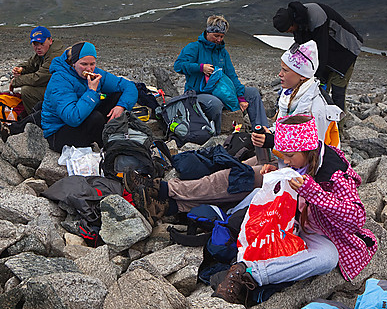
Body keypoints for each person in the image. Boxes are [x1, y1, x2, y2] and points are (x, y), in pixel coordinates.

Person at [128, 41, 336, 216]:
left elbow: (310, 153)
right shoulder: (294, 95)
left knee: (232, 179)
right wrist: (268, 135)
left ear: (301, 75)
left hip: (294, 174)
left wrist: (271, 141)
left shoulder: (314, 106)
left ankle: (162, 190)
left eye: (285, 70)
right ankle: (169, 207)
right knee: (232, 182)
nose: (279, 74)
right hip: (281, 159)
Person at [213, 115, 378, 305]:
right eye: (283, 156)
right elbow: (291, 180)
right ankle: (231, 238)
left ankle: (249, 272)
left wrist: (313, 192)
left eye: (290, 156)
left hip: (319, 232)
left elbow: (357, 217)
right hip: (291, 221)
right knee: (256, 198)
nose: (287, 161)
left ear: (308, 150)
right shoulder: (301, 160)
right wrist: (277, 174)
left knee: (328, 259)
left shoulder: (334, 172)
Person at [174, 15, 267, 131]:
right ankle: (216, 136)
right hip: (198, 93)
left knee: (253, 93)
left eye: (221, 36)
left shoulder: (223, 53)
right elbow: (178, 66)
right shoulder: (194, 48)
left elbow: (231, 76)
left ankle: (261, 130)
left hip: (222, 91)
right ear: (208, 32)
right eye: (216, 36)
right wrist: (200, 67)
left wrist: (241, 97)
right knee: (215, 103)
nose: (219, 40)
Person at [41, 41, 138, 152]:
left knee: (118, 96)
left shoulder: (96, 73)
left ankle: (112, 136)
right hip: (58, 132)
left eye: (92, 64)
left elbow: (129, 86)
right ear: (73, 63)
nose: (89, 69)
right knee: (95, 118)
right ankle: (110, 148)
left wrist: (121, 106)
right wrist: (91, 91)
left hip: (82, 117)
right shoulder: (60, 79)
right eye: (84, 64)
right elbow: (72, 117)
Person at [272, 2, 363, 111]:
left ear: (292, 23)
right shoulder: (299, 20)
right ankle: (321, 121)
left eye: (289, 30)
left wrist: (315, 77)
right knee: (319, 93)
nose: (289, 32)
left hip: (345, 51)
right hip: (328, 55)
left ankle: (337, 125)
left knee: (337, 92)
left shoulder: (316, 17)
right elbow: (302, 46)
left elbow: (321, 49)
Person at [10, 26, 64, 114]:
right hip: (53, 86)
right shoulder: (45, 52)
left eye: (41, 43)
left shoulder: (55, 56)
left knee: (27, 91)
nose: (38, 47)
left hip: (62, 90)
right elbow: (31, 63)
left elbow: (38, 78)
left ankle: (37, 119)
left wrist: (15, 82)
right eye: (35, 44)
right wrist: (21, 69)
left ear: (50, 41)